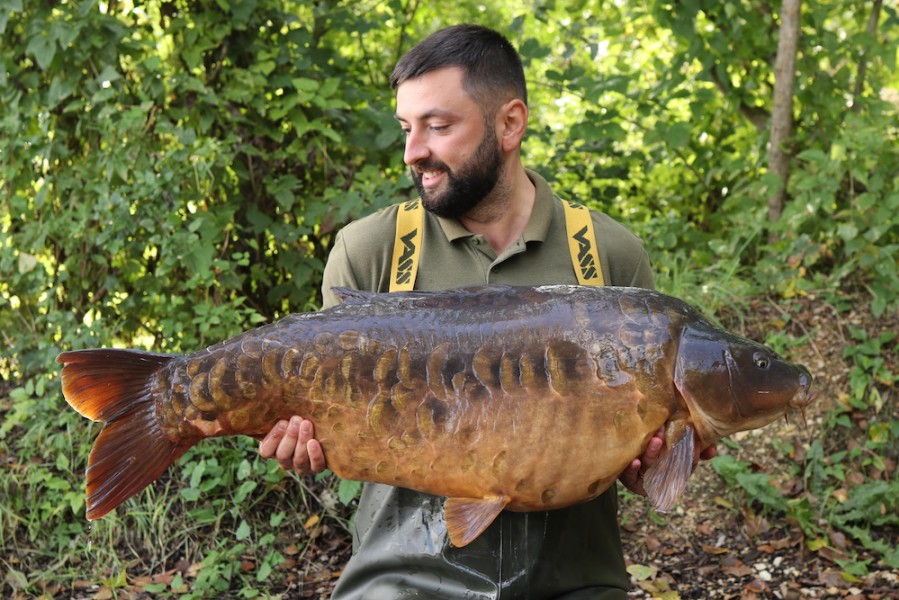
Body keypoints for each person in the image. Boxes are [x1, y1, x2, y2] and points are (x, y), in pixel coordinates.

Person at [259, 24, 714, 599]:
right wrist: (302, 441)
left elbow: (637, 470)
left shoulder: (606, 254)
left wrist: (652, 459)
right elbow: (325, 420)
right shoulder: (370, 251)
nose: (412, 151)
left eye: (438, 126)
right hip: (402, 580)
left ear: (510, 123)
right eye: (407, 127)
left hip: (574, 581)